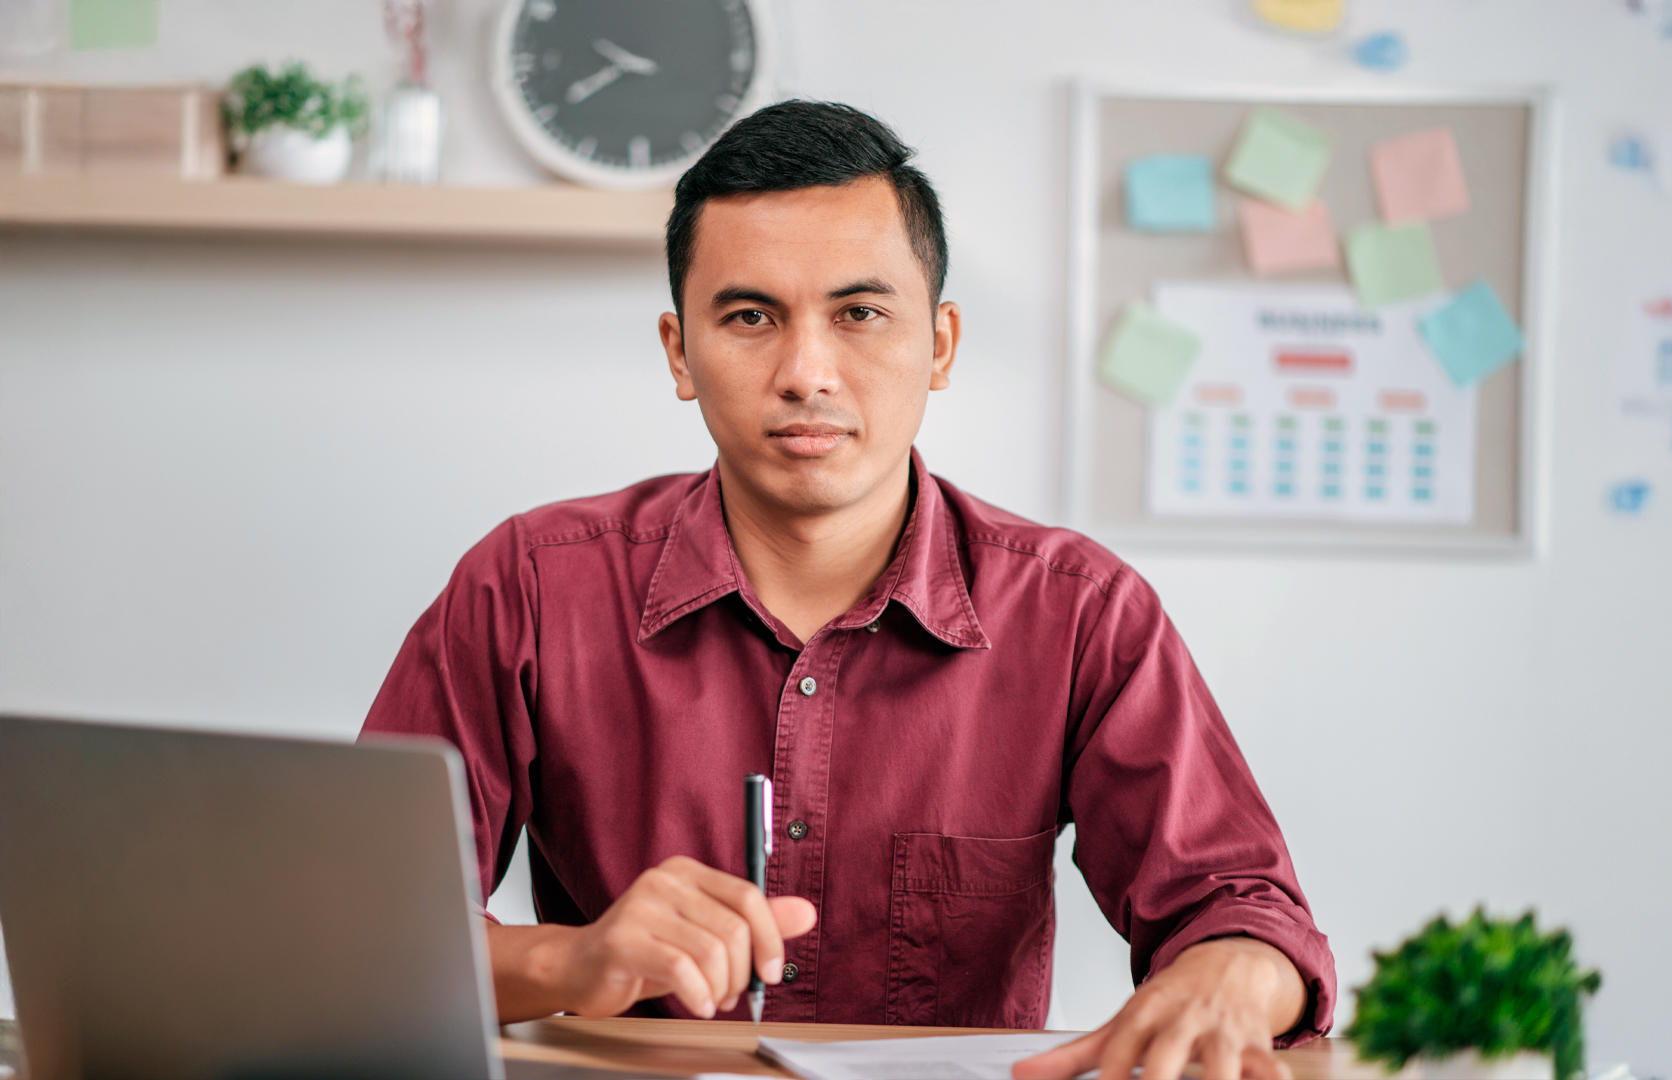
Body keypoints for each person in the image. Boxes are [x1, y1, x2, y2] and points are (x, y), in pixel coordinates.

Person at [360, 100, 1333, 1080]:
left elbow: (1244, 911)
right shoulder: (527, 587)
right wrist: (575, 958)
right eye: (750, 317)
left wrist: (1235, 972)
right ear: (678, 352)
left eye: (859, 313)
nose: (806, 372)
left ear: (940, 345)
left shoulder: (1081, 612)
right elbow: (363, 933)